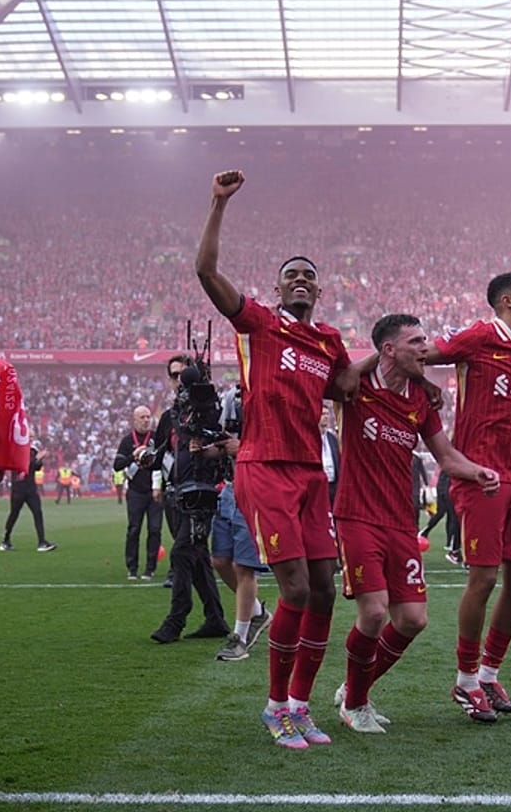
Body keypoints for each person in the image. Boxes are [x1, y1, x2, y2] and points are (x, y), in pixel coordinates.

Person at [194, 170, 355, 749]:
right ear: (278, 288)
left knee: (325, 591)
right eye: (292, 276)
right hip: (264, 468)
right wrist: (218, 204)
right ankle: (274, 706)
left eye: (309, 276)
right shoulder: (260, 323)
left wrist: (412, 372)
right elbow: (207, 272)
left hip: (312, 472)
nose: (301, 281)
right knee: (293, 591)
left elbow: (353, 389)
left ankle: (301, 705)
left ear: (319, 290)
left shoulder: (330, 342)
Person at [332, 314, 501, 733]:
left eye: (426, 340)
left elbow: (445, 456)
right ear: (388, 350)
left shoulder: (421, 400)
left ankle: (355, 686)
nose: (426, 348)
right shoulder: (355, 388)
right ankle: (355, 704)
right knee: (373, 613)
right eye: (415, 341)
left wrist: (476, 470)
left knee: (412, 620)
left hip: (400, 520)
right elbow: (342, 376)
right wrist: (373, 359)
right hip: (356, 515)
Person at [426, 272, 511, 723]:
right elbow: (421, 353)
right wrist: (425, 385)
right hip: (481, 474)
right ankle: (465, 681)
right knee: (484, 578)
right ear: (506, 301)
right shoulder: (478, 337)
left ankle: (489, 672)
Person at [144, 355, 229, 644]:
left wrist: (208, 446)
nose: (179, 380)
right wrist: (144, 458)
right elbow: (157, 452)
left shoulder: (211, 409)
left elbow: (229, 441)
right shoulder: (171, 415)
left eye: (184, 374)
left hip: (203, 493)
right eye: (174, 375)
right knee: (197, 557)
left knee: (182, 552)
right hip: (177, 493)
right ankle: (215, 618)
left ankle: (176, 619)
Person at [211, 386, 274, 662]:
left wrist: (244, 447)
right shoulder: (231, 398)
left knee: (243, 565)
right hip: (230, 488)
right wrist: (208, 448)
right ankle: (257, 612)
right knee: (220, 561)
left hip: (257, 488)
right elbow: (224, 442)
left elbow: (281, 443)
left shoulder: (272, 396)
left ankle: (240, 636)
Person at [113, 405, 163, 580]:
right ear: (134, 420)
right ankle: (132, 568)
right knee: (134, 529)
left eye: (148, 417)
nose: (146, 420)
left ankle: (150, 568)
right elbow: (117, 465)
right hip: (135, 492)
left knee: (155, 530)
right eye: (142, 417)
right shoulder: (127, 441)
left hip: (155, 492)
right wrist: (133, 456)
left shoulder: (157, 438)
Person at [1, 444, 55, 552]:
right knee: (14, 514)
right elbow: (23, 465)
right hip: (18, 488)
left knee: (38, 513)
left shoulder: (33, 450)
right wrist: (37, 458)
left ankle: (41, 542)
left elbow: (36, 468)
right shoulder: (15, 449)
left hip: (31, 489)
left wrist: (40, 460)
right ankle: (6, 540)